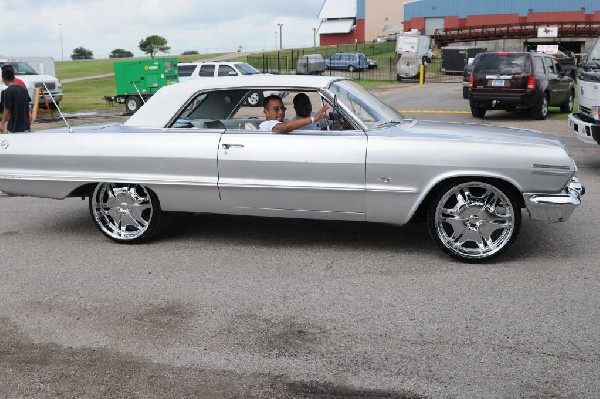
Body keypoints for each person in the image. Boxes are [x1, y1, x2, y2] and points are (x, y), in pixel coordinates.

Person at [259, 95, 329, 133]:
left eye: (283, 109)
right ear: (266, 112)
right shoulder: (266, 125)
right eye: (276, 109)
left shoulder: (286, 122)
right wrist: (313, 118)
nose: (281, 112)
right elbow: (284, 127)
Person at [0, 67, 31, 133]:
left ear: (3, 80)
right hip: (25, 126)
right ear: (14, 77)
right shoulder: (24, 89)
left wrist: (2, 123)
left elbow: (7, 109)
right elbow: (28, 107)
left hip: (14, 127)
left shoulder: (8, 91)